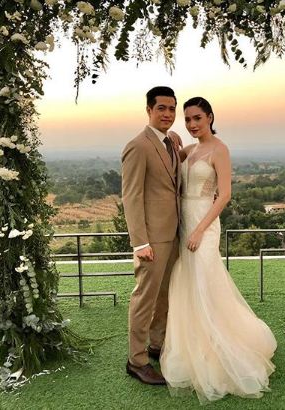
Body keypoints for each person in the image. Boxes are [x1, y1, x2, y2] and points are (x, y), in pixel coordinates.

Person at [160, 97, 277, 404]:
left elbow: (224, 195)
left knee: (204, 281)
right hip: (184, 221)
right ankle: (194, 347)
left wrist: (200, 230)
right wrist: (172, 138)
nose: (192, 124)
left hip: (205, 224)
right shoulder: (189, 150)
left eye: (197, 118)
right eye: (187, 119)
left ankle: (221, 350)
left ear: (210, 117)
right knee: (187, 281)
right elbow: (170, 158)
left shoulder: (219, 150)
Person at [121, 86, 181, 385]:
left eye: (172, 108)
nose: (167, 114)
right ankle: (137, 361)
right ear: (149, 110)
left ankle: (157, 345)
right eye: (161, 108)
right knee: (145, 298)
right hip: (151, 240)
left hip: (173, 234)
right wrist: (140, 242)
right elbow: (131, 197)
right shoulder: (138, 146)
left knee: (165, 295)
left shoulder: (172, 141)